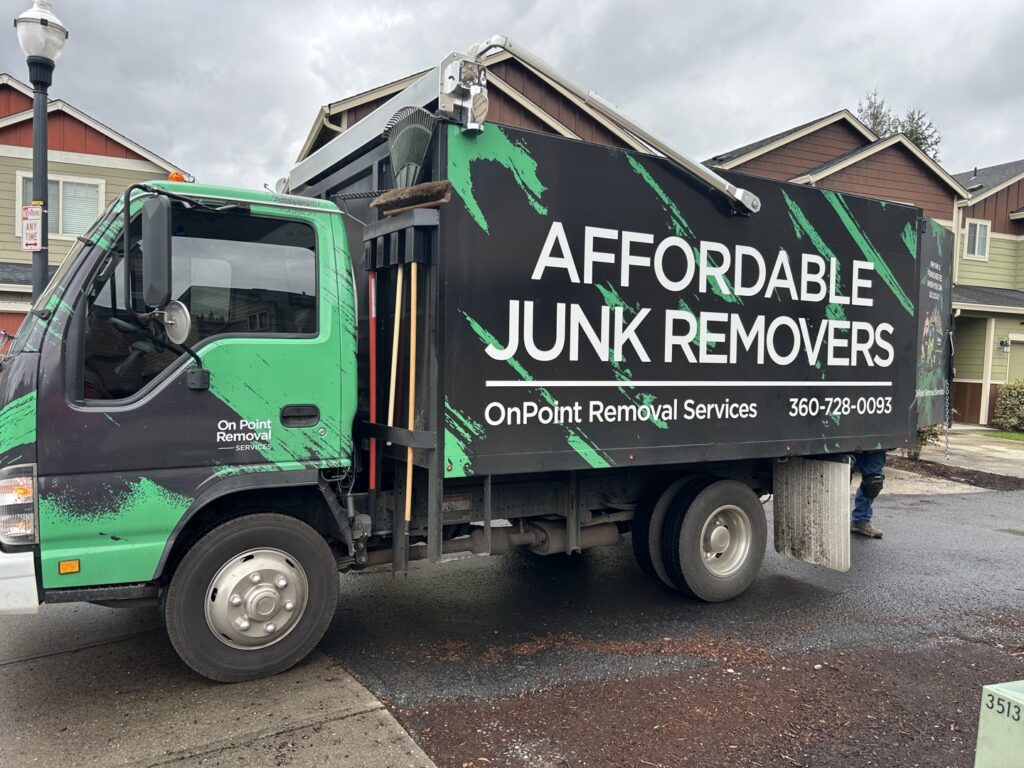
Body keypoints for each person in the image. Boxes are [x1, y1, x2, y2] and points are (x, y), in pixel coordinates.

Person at [851, 451, 886, 538]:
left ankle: (860, 521)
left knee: (873, 482)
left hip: (875, 441)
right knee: (838, 473)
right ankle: (828, 522)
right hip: (843, 439)